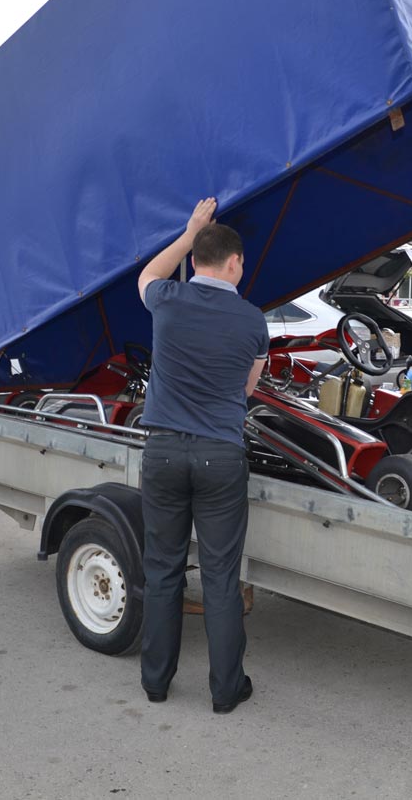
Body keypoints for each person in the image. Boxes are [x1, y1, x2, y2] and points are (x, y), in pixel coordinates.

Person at [136, 197, 268, 715]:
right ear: (235, 263)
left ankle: (155, 682)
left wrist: (189, 231)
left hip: (164, 453)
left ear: (195, 259)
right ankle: (225, 690)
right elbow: (247, 390)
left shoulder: (166, 299)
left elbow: (148, 273)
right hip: (220, 456)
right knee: (219, 577)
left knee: (163, 571)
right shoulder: (253, 320)